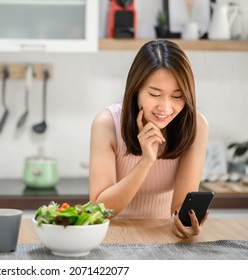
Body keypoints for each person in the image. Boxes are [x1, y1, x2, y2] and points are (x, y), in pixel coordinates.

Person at [89, 40, 209, 239]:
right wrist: (146, 162)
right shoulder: (107, 124)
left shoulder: (195, 126)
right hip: (111, 235)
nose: (166, 107)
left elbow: (179, 210)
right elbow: (99, 210)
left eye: (177, 96)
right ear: (136, 89)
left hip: (162, 237)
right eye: (155, 94)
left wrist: (185, 223)